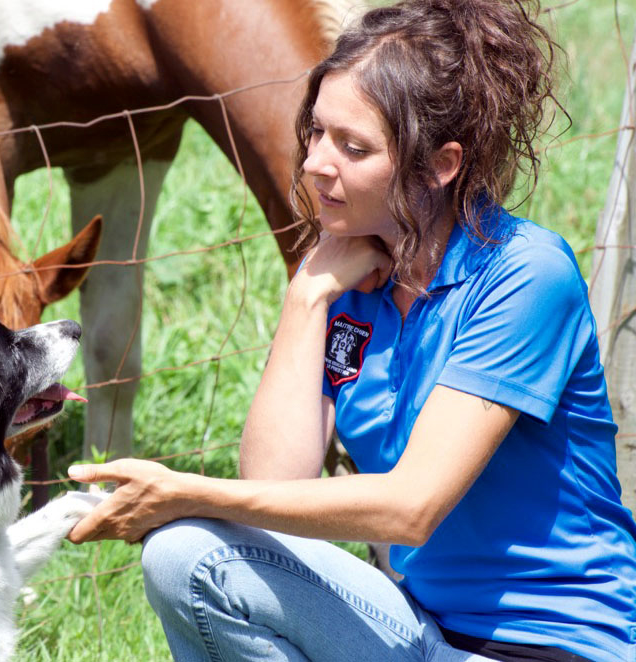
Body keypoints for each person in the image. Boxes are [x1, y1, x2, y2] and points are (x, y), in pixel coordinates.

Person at [65, 0, 636, 660]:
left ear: (440, 165)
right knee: (183, 556)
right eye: (315, 132)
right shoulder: (348, 281)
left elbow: (413, 507)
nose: (314, 163)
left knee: (190, 528)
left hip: (558, 645)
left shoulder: (522, 276)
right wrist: (307, 295)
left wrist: (190, 490)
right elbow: (276, 485)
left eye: (352, 147)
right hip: (421, 630)